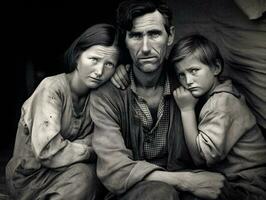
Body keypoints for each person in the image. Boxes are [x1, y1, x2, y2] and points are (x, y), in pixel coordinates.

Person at [90, 1, 230, 199]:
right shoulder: (107, 95)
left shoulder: (190, 82)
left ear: (170, 35)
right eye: (136, 36)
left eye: (154, 34)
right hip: (132, 192)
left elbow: (225, 97)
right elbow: (115, 170)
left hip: (191, 186)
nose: (145, 48)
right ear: (125, 39)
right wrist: (186, 181)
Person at [6, 23, 120, 200]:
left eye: (110, 64)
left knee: (106, 178)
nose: (99, 72)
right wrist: (90, 150)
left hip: (69, 172)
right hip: (30, 178)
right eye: (94, 59)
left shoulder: (99, 96)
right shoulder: (52, 88)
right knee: (86, 176)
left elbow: (107, 142)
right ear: (77, 56)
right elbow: (48, 151)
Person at [170, 34, 266, 199]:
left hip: (248, 187)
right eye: (181, 75)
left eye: (194, 71)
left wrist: (186, 110)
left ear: (216, 67)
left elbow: (200, 158)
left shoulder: (222, 102)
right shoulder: (215, 94)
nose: (188, 81)